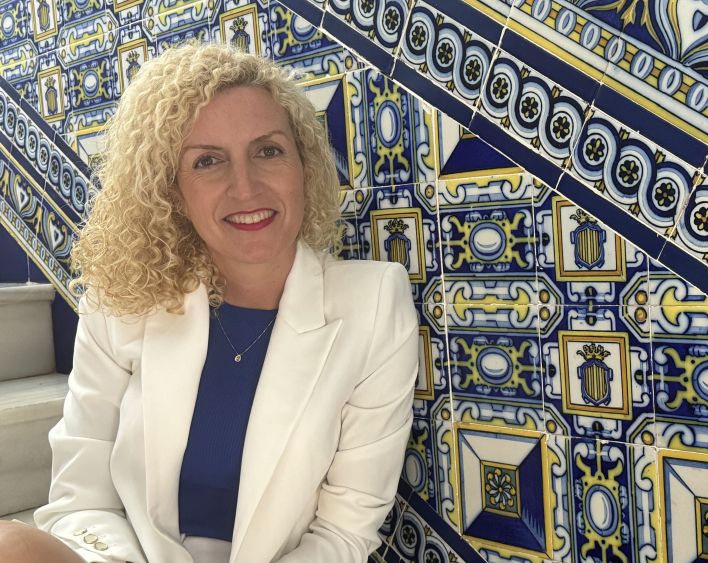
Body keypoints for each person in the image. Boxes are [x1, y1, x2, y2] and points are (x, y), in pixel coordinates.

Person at [0, 43, 418, 562]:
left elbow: (344, 533)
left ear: (304, 165)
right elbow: (80, 497)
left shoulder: (372, 303)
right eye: (208, 161)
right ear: (172, 191)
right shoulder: (120, 301)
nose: (246, 187)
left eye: (268, 151)